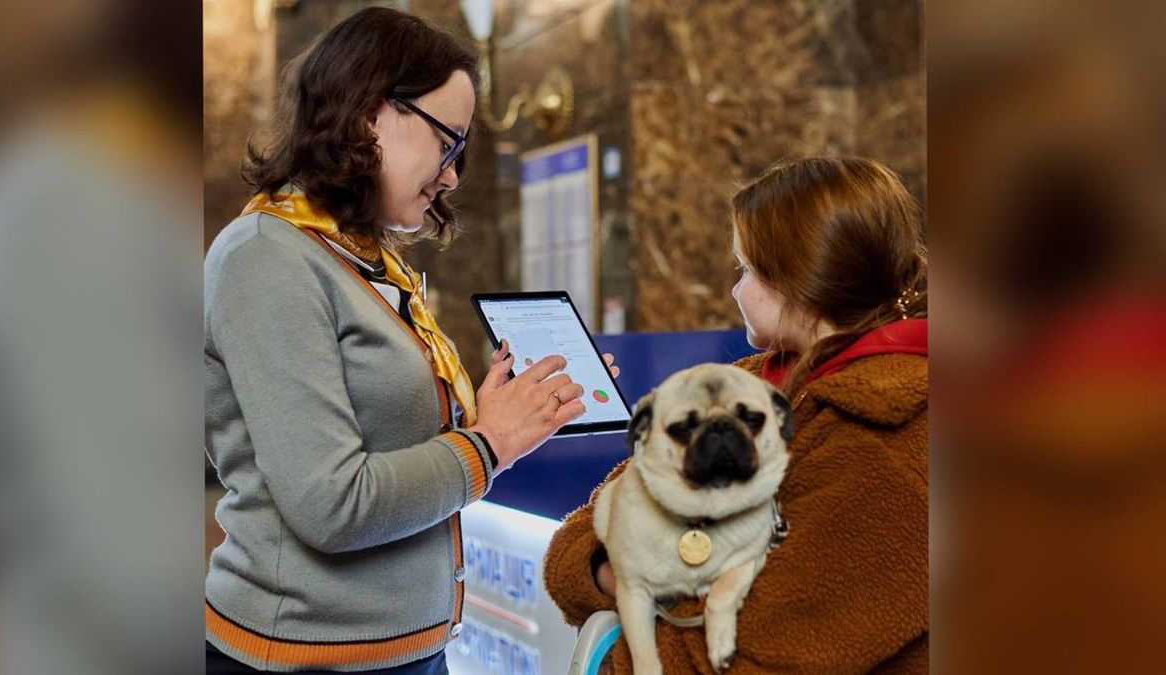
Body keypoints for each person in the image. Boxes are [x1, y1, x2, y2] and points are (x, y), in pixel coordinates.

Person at [204, 8, 610, 673]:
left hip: (407, 650)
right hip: (304, 657)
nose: (452, 175)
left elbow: (390, 442)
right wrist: (490, 442)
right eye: (448, 142)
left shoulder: (363, 260)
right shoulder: (265, 258)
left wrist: (499, 415)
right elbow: (333, 504)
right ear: (371, 115)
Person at [543, 156, 929, 673]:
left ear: (798, 278)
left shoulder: (891, 438)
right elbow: (588, 532)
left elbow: (748, 658)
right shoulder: (748, 384)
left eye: (745, 269)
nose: (734, 289)